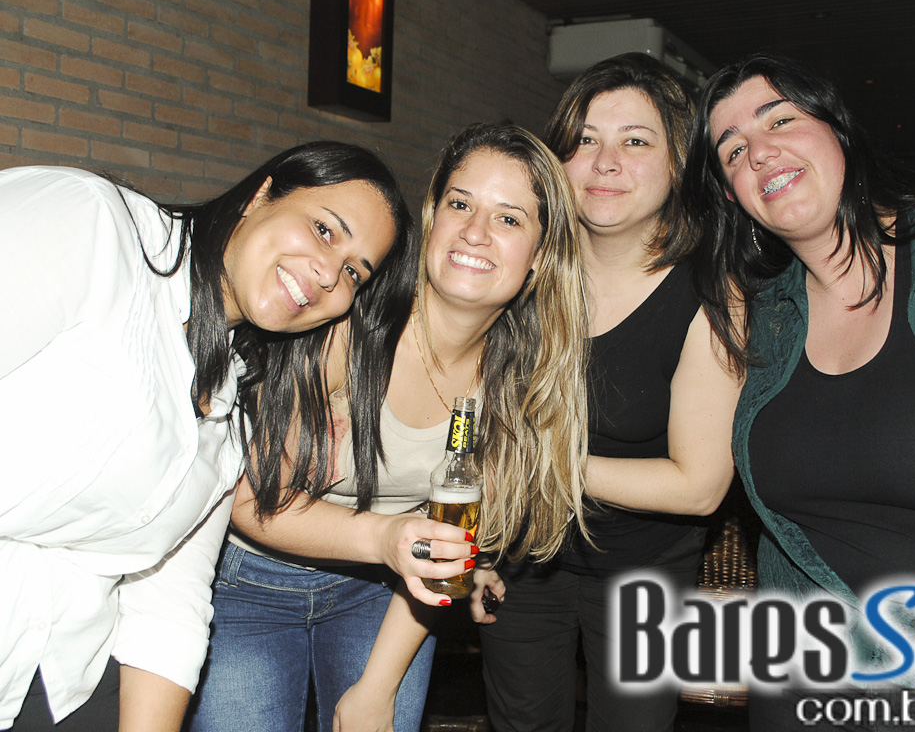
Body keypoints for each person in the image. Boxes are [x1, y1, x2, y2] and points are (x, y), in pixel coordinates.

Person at [185, 122, 591, 732]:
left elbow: (445, 550)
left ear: (540, 258)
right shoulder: (347, 328)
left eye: (509, 219)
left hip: (385, 591)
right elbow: (251, 500)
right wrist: (389, 538)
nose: (475, 232)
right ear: (433, 216)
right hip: (250, 584)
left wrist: (377, 688)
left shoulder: (522, 381)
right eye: (461, 204)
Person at [0, 142, 415, 732]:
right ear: (261, 195)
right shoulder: (90, 224)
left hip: (60, 676)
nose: (329, 273)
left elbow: (167, 598)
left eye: (354, 271)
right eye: (324, 230)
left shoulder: (233, 404)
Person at [684, 52, 915, 730]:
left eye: (780, 121)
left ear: (839, 130)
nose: (759, 153)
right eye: (733, 150)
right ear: (732, 195)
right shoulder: (762, 314)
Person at [476, 53, 742, 732]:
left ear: (679, 161)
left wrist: (539, 463)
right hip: (521, 557)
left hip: (644, 570)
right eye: (586, 140)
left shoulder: (711, 293)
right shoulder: (520, 270)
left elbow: (699, 488)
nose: (605, 163)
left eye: (636, 141)